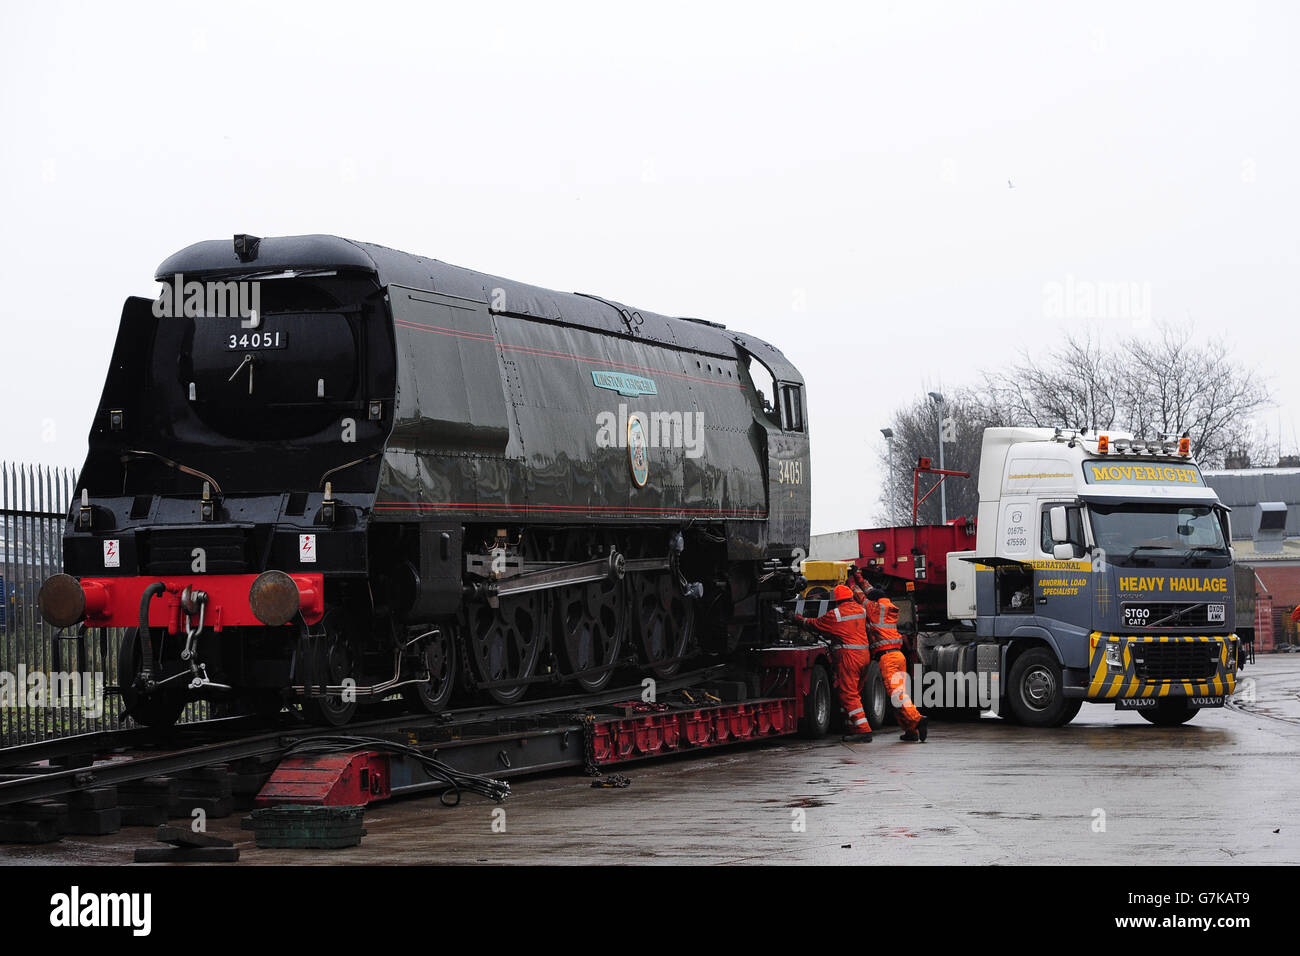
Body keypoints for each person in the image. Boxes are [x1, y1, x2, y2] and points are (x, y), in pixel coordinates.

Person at [849, 568, 929, 743]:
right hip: (898, 656)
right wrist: (860, 577)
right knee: (899, 695)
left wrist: (850, 582)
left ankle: (917, 719)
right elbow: (871, 592)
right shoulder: (888, 606)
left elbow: (862, 597)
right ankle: (910, 731)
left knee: (896, 693)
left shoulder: (874, 609)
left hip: (888, 658)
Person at [793, 582, 874, 741]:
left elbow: (814, 624)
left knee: (848, 695)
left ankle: (863, 730)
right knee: (855, 693)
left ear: (836, 600)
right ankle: (852, 726)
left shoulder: (835, 615)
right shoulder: (861, 610)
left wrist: (799, 620)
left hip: (849, 656)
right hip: (864, 655)